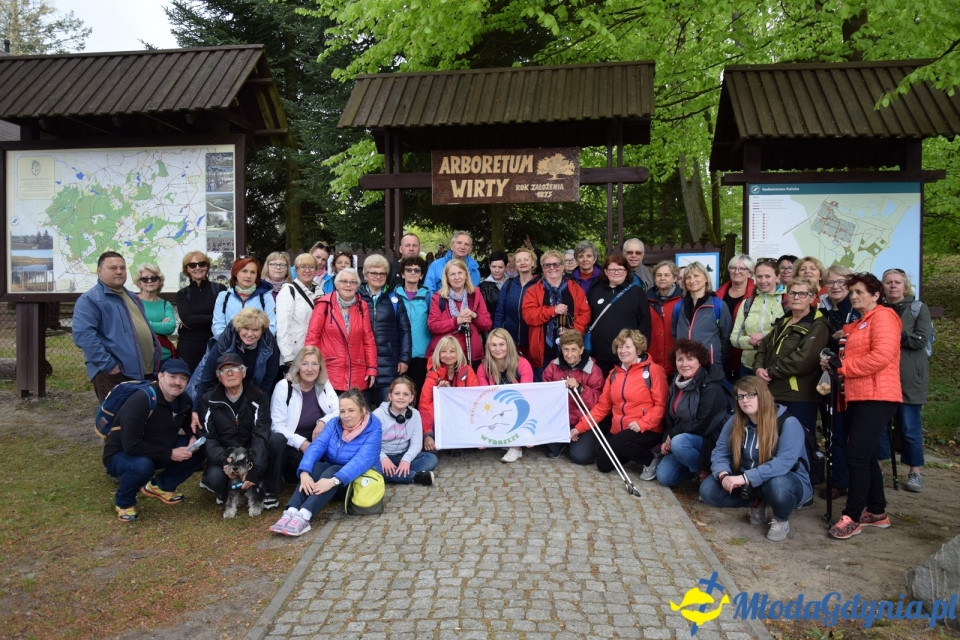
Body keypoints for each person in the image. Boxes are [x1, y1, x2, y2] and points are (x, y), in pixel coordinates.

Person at [825, 273, 902, 540]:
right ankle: (877, 512)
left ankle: (853, 517)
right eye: (852, 292)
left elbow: (881, 356)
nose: (854, 296)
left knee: (857, 456)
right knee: (866, 456)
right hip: (858, 395)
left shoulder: (884, 317)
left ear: (875, 294)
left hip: (878, 396)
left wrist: (842, 367)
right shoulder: (861, 321)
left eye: (859, 292)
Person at [699, 376, 813, 542]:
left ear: (763, 395)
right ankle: (757, 501)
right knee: (708, 490)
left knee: (778, 487)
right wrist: (723, 474)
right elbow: (720, 452)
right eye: (740, 396)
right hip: (749, 480)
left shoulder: (788, 422)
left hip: (786, 480)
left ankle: (781, 519)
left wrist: (744, 478)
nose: (745, 400)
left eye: (751, 395)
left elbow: (784, 463)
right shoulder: (734, 421)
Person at [268, 390, 383, 536]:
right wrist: (304, 472)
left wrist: (334, 480)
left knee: (332, 469)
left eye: (351, 410)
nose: (346, 416)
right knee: (316, 467)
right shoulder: (335, 424)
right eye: (342, 411)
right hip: (332, 479)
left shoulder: (373, 429)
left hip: (358, 481)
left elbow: (361, 461)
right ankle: (290, 511)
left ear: (363, 410)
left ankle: (304, 516)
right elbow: (316, 446)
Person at [102, 359, 204, 522]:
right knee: (142, 465)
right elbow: (131, 445)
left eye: (183, 378)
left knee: (201, 448)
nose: (178, 382)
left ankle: (160, 486)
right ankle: (124, 502)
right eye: (173, 376)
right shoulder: (141, 400)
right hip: (121, 453)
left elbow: (191, 426)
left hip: (158, 446)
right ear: (161, 376)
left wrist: (193, 438)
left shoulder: (183, 399)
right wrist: (170, 453)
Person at [196, 353, 286, 511]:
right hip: (226, 452)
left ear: (243, 373)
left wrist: (255, 469)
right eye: (224, 371)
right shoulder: (209, 400)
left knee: (277, 440)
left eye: (235, 368)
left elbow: (261, 433)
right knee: (214, 479)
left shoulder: (258, 397)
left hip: (251, 449)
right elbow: (208, 437)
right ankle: (226, 491)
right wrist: (225, 460)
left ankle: (269, 490)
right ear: (219, 377)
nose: (230, 373)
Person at [573, 330, 668, 477]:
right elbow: (602, 407)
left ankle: (650, 460)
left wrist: (642, 424)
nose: (623, 351)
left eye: (628, 347)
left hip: (646, 429)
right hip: (620, 432)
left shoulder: (653, 370)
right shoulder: (614, 374)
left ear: (638, 348)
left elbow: (661, 405)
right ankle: (635, 453)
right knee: (603, 464)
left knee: (619, 443)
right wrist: (579, 428)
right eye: (619, 347)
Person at [73, 251, 160, 401]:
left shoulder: (132, 296)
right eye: (113, 268)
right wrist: (109, 366)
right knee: (118, 420)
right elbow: (83, 335)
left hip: (143, 371)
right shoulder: (90, 299)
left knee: (140, 419)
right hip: (115, 375)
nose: (119, 271)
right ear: (99, 272)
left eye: (122, 267)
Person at [877, 268, 932, 494]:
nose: (892, 286)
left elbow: (919, 340)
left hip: (910, 378)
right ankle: (878, 468)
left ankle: (915, 472)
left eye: (897, 282)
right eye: (888, 282)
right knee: (879, 426)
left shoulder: (918, 308)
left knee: (910, 427)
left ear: (905, 285)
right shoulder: (877, 309)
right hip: (881, 377)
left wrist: (891, 335)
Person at [754, 278, 830, 435]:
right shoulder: (784, 320)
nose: (796, 297)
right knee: (772, 441)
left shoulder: (818, 324)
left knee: (799, 442)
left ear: (812, 297)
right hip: (772, 392)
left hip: (798, 396)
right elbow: (764, 347)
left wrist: (770, 372)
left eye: (802, 294)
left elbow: (804, 360)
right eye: (793, 293)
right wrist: (758, 368)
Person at [656, 340, 730, 487]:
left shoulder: (710, 386)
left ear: (700, 361)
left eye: (690, 359)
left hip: (707, 440)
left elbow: (703, 423)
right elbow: (671, 418)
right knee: (664, 477)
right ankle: (693, 468)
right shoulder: (677, 383)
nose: (685, 364)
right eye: (680, 359)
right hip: (684, 436)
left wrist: (673, 436)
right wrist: (666, 438)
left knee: (679, 443)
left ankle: (706, 470)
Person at [817, 263, 859, 500]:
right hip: (828, 380)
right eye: (830, 282)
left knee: (855, 433)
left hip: (855, 379)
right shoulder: (821, 308)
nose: (835, 287)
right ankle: (839, 480)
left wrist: (849, 332)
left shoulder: (857, 307)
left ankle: (858, 480)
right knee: (834, 432)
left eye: (841, 282)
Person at [270, 346, 339, 484]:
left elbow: (338, 411)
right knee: (302, 463)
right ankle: (275, 486)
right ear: (297, 367)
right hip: (292, 444)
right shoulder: (284, 387)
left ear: (320, 368)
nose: (309, 369)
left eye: (314, 364)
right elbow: (276, 426)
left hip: (317, 442)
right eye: (305, 363)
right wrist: (300, 442)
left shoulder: (324, 384)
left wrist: (322, 422)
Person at [304, 268, 377, 393]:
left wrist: (371, 368)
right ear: (337, 284)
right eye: (344, 281)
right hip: (329, 370)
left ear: (357, 286)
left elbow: (368, 339)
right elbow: (312, 337)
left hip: (357, 372)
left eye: (353, 282)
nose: (348, 285)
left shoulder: (362, 306)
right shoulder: (324, 304)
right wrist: (311, 366)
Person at [186, 307, 280, 404]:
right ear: (239, 328)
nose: (250, 334)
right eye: (246, 328)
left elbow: (269, 377)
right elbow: (206, 378)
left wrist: (259, 399)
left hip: (255, 391)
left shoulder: (269, 344)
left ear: (262, 330)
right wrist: (196, 410)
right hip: (223, 392)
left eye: (255, 330)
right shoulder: (224, 341)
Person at [521, 250, 590, 378]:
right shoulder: (533, 290)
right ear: (543, 268)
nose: (552, 268)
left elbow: (585, 314)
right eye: (547, 265)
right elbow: (528, 315)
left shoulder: (575, 288)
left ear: (563, 267)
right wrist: (552, 310)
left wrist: (573, 332)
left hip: (570, 352)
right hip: (543, 353)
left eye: (556, 264)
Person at [541, 330, 605, 463]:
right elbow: (544, 393)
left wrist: (581, 388)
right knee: (551, 450)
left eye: (574, 350)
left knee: (581, 457)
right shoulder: (553, 366)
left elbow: (597, 402)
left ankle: (579, 441)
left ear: (581, 350)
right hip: (559, 419)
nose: (569, 354)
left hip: (582, 420)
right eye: (566, 350)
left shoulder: (593, 370)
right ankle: (564, 441)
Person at [585, 254, 651, 377]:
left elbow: (645, 322)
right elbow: (588, 318)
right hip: (600, 355)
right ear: (605, 271)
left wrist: (640, 350)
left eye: (620, 269)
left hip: (627, 355)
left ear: (626, 271)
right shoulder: (595, 291)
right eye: (612, 269)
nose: (616, 272)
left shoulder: (636, 292)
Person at [359, 254, 412, 406]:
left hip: (389, 364)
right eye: (374, 273)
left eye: (382, 273)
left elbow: (405, 330)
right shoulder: (357, 298)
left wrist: (404, 358)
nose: (378, 276)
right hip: (362, 364)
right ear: (366, 275)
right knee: (362, 413)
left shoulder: (395, 299)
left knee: (388, 411)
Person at [477, 328, 535, 463]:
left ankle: (516, 447)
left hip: (520, 406)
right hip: (495, 406)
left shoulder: (522, 364)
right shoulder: (484, 367)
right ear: (488, 347)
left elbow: (527, 395)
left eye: (501, 344)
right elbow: (483, 396)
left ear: (508, 345)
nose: (498, 349)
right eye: (494, 345)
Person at [671, 261, 732, 381]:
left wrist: (718, 360)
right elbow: (674, 333)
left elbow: (726, 337)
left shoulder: (718, 305)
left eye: (696, 276)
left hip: (710, 365)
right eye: (688, 277)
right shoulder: (679, 307)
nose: (691, 280)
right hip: (685, 366)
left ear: (705, 278)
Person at [373, 377, 438, 485]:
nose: (401, 398)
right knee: (368, 465)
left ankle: (391, 474)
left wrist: (406, 459)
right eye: (397, 394)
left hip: (402, 454)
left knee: (431, 459)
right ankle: (414, 477)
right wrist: (383, 458)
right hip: (380, 455)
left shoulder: (415, 414)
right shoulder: (377, 415)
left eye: (406, 394)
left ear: (411, 398)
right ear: (390, 396)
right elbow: (371, 444)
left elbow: (416, 443)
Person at [426, 258, 492, 365]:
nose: (457, 277)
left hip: (470, 354)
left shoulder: (475, 294)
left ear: (466, 275)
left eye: (460, 273)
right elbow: (433, 326)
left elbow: (487, 324)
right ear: (447, 278)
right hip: (446, 355)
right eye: (452, 274)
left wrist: (474, 315)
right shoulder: (439, 297)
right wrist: (457, 321)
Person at [419, 336, 479, 452]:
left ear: (458, 353)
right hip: (440, 419)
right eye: (443, 351)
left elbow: (474, 398)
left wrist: (451, 392)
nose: (448, 355)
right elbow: (425, 405)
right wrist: (427, 434)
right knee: (432, 452)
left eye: (452, 351)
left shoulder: (467, 371)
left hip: (462, 417)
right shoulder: (433, 375)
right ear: (438, 354)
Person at [730, 258, 784, 377]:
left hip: (778, 368)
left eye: (768, 276)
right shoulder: (748, 303)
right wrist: (752, 342)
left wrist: (765, 336)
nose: (763, 280)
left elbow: (791, 335)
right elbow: (734, 338)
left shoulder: (787, 301)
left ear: (778, 277)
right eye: (759, 276)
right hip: (749, 367)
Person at [176, 251, 226, 371]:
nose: (198, 268)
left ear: (207, 267)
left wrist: (196, 319)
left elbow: (224, 316)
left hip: (214, 343)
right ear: (187, 269)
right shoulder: (182, 294)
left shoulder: (220, 289)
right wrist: (214, 317)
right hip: (189, 347)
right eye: (192, 265)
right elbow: (188, 320)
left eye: (202, 264)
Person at [212, 256, 277, 338]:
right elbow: (218, 324)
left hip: (257, 346)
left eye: (253, 272)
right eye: (244, 271)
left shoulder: (265, 297)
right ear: (235, 273)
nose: (249, 275)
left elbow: (271, 326)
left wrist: (254, 343)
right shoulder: (223, 296)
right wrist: (229, 342)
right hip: (229, 347)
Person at [493, 246, 540, 357]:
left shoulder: (540, 285)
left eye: (526, 259)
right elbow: (499, 312)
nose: (522, 263)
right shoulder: (508, 284)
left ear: (533, 263)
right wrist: (497, 335)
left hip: (532, 341)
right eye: (519, 260)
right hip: (510, 342)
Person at [716, 254, 756, 381]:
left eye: (742, 269)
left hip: (745, 351)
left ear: (750, 273)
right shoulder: (718, 295)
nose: (736, 271)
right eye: (733, 268)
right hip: (722, 349)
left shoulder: (756, 296)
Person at [397, 256, 432, 400]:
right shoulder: (394, 295)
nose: (412, 273)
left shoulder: (428, 296)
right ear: (403, 273)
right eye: (408, 269)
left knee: (417, 395)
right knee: (399, 394)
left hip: (422, 354)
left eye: (416, 270)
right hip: (400, 355)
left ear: (421, 275)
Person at [276, 253, 320, 368]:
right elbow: (283, 326)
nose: (307, 270)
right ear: (296, 270)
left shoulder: (320, 293)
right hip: (295, 354)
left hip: (314, 353)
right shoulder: (288, 291)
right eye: (302, 267)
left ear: (316, 270)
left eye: (311, 267)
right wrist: (288, 356)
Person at [647, 261, 683, 377]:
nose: (662, 278)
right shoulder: (645, 299)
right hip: (652, 362)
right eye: (659, 275)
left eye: (667, 275)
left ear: (674, 278)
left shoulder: (683, 300)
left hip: (678, 362)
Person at [134, 263, 176, 361]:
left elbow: (170, 328)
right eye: (144, 279)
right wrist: (160, 325)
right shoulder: (133, 302)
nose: (149, 281)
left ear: (159, 281)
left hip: (164, 356)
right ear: (139, 282)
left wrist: (143, 323)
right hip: (140, 358)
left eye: (153, 278)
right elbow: (131, 326)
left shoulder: (166, 304)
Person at [478, 251, 508, 320]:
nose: (497, 270)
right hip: (492, 327)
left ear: (505, 267)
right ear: (489, 266)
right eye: (494, 267)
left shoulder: (513, 283)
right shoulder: (483, 287)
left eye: (500, 267)